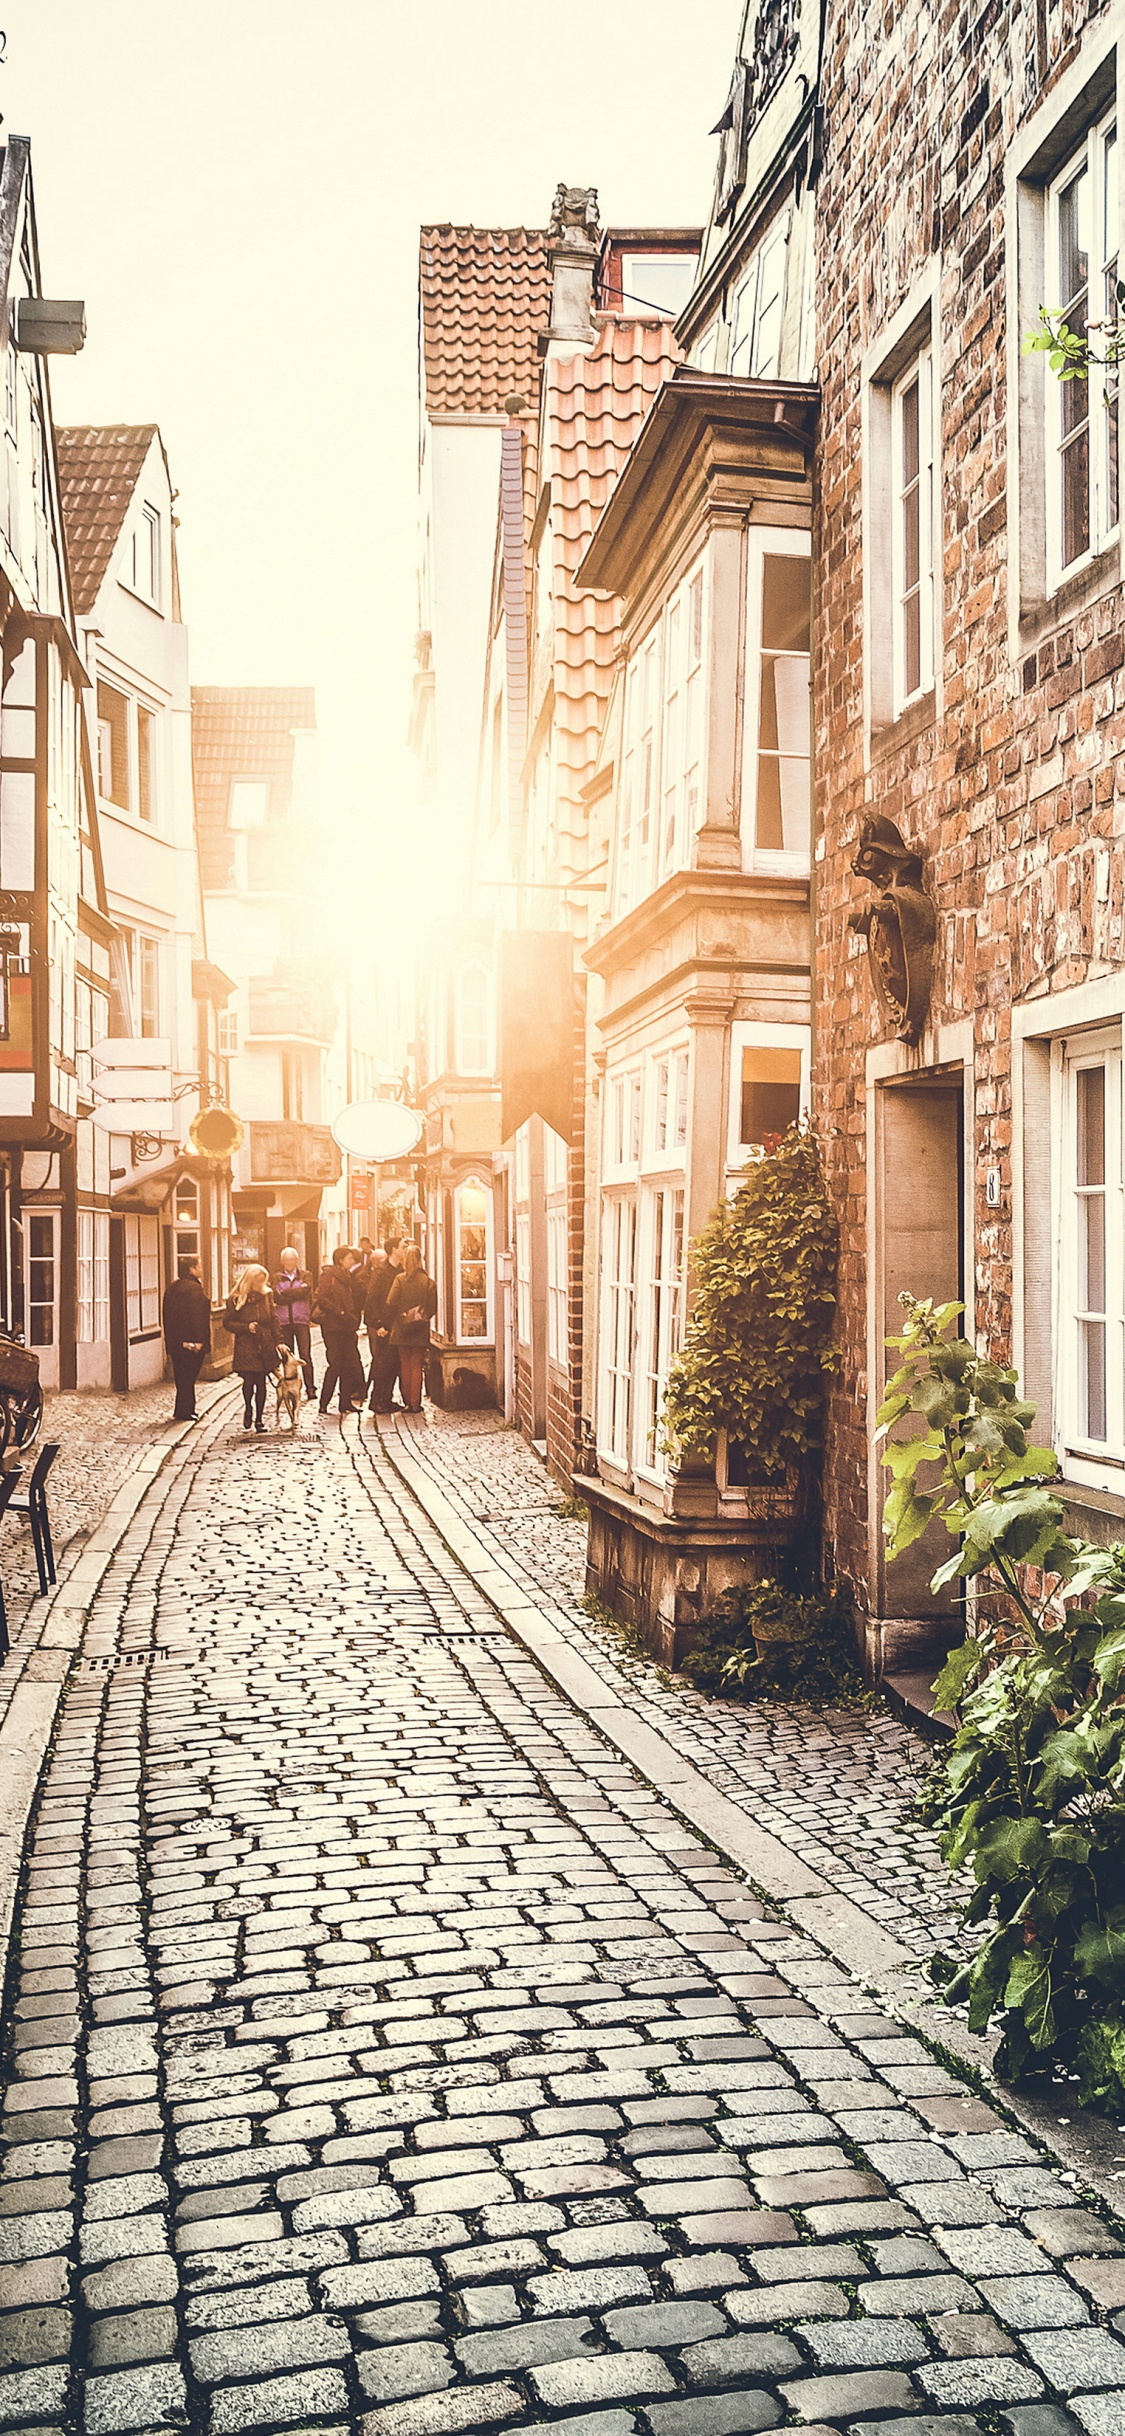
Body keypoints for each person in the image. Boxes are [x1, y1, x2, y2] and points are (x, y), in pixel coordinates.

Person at [224, 1264, 280, 1433]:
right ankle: (248, 1408)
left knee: (261, 1383)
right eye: (257, 1282)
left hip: (264, 1343)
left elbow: (273, 1319)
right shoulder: (236, 1298)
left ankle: (259, 1419)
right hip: (246, 1344)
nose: (260, 1285)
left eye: (262, 1281)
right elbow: (227, 1323)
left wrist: (280, 1341)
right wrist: (245, 1327)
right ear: (250, 1280)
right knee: (249, 1381)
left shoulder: (267, 1295)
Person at [312, 1246, 366, 1414]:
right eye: (349, 1258)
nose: (352, 1261)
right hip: (333, 1327)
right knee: (335, 1365)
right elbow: (322, 1298)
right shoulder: (329, 1275)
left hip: (348, 1326)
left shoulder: (348, 1276)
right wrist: (340, 1312)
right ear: (341, 1260)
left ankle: (345, 1402)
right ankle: (324, 1402)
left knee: (348, 1365)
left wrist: (352, 1316)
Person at [386, 1242, 437, 1414]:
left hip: (401, 1328)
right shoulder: (428, 1282)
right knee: (417, 1366)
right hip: (420, 1330)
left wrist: (401, 1316)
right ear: (420, 1260)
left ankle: (408, 1401)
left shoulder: (400, 1279)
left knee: (405, 1365)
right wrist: (421, 1317)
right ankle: (416, 1402)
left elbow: (390, 1302)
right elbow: (432, 1307)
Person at [162, 1256, 211, 1422]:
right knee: (189, 1376)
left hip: (176, 1341)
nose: (201, 1269)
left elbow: (167, 1316)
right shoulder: (194, 1289)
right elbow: (197, 1317)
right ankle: (186, 1410)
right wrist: (199, 1340)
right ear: (192, 1269)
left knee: (180, 1375)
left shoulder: (172, 1288)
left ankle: (181, 1408)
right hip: (191, 1341)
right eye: (199, 1266)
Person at [274, 1246, 315, 1398]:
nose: (289, 1262)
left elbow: (305, 1291)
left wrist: (286, 1293)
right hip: (284, 1321)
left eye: (291, 1259)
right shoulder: (276, 1277)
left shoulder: (306, 1275)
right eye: (286, 1260)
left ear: (296, 1260)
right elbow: (276, 1297)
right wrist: (295, 1293)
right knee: (287, 1358)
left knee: (305, 1355)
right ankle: (289, 1389)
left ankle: (310, 1388)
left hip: (301, 1320)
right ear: (282, 1262)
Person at [364, 1242, 400, 1412]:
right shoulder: (381, 1272)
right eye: (403, 1247)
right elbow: (372, 1299)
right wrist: (378, 1324)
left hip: (395, 1324)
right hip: (382, 1325)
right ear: (394, 1249)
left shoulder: (399, 1270)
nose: (405, 1250)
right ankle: (376, 1400)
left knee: (393, 1363)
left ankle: (386, 1398)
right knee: (382, 1363)